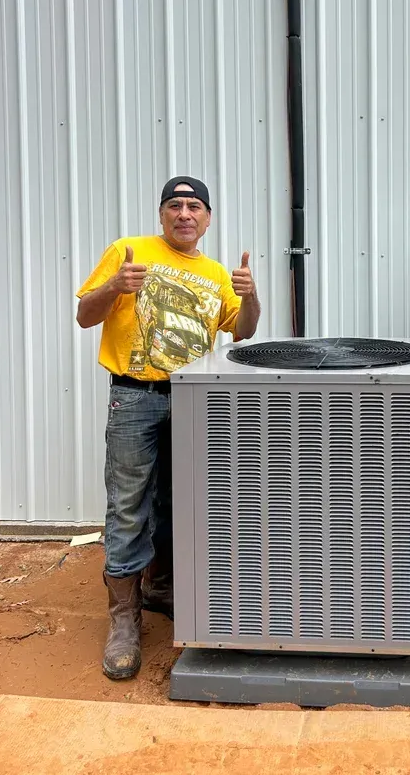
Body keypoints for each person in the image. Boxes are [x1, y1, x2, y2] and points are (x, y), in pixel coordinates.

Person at [76, 176, 261, 679]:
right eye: (175, 205)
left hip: (194, 398)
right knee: (129, 503)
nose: (184, 213)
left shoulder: (216, 272)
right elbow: (85, 315)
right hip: (134, 395)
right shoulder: (129, 251)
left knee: (183, 500)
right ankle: (124, 618)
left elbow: (243, 330)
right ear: (162, 214)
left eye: (194, 206)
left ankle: (160, 587)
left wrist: (250, 296)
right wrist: (114, 287)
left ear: (207, 218)